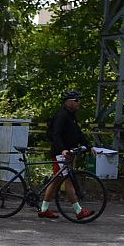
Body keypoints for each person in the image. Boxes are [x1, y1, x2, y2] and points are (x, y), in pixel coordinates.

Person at [43, 89, 94, 220]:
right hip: (61, 154)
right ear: (68, 102)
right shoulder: (61, 115)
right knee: (69, 180)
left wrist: (89, 146)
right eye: (76, 100)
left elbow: (79, 134)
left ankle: (43, 209)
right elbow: (56, 134)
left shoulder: (71, 116)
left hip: (67, 153)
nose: (79, 102)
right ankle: (78, 211)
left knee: (56, 182)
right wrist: (62, 150)